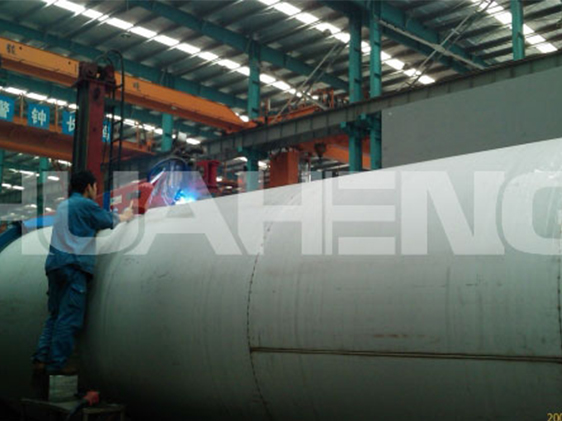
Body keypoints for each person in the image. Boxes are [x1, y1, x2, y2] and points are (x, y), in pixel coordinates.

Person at [32, 170, 134, 375]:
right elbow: (111, 220)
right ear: (89, 187)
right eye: (95, 187)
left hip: (55, 266)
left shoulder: (64, 206)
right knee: (69, 317)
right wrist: (128, 213)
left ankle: (41, 359)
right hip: (74, 266)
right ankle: (56, 366)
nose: (96, 191)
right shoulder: (85, 205)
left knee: (55, 315)